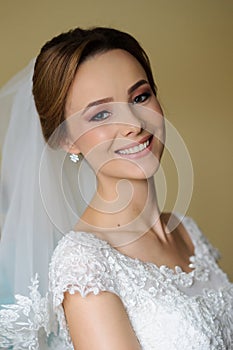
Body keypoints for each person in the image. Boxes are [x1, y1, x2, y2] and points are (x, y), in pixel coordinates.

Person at [0, 27, 232, 349]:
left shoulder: (188, 232)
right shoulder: (84, 262)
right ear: (67, 140)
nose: (134, 125)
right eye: (101, 114)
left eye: (140, 97)